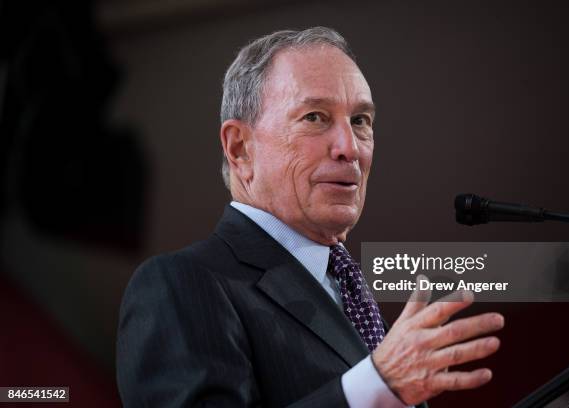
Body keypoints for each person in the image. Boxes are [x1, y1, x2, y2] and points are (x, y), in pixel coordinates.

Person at [116, 27, 504, 407]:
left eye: (360, 121)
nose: (350, 149)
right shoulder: (180, 284)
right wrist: (373, 388)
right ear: (240, 149)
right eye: (315, 117)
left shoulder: (347, 292)